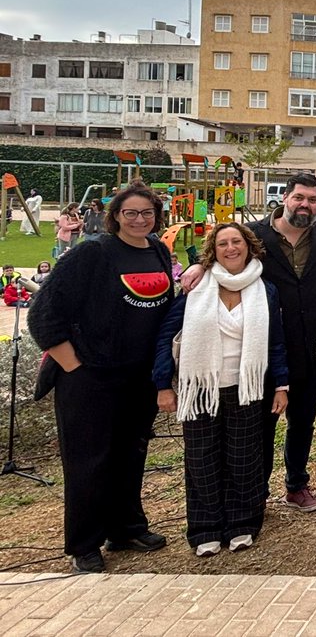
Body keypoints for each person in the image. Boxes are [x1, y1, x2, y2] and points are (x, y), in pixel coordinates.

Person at [28, 181, 175, 574]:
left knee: (131, 454)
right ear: (115, 217)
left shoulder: (159, 251)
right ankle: (84, 543)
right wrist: (74, 366)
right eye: (131, 213)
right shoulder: (92, 253)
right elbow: (44, 313)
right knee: (88, 461)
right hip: (89, 377)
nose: (140, 219)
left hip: (138, 377)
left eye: (147, 213)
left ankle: (126, 528)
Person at [181, 173, 316, 512]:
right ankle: (257, 490)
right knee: (261, 425)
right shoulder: (258, 234)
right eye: (299, 198)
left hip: (312, 347)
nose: (305, 205)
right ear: (285, 198)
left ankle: (297, 485)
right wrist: (199, 265)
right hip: (267, 349)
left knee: (303, 422)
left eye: (312, 200)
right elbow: (228, 254)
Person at [153, 222, 289, 557]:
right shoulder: (196, 286)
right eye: (223, 243)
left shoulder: (264, 290)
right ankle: (205, 529)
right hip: (200, 387)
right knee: (201, 460)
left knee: (244, 460)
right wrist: (162, 385)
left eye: (237, 242)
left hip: (245, 386)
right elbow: (166, 335)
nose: (231, 248)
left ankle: (243, 523)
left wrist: (282, 386)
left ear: (249, 246)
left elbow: (276, 343)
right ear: (213, 251)